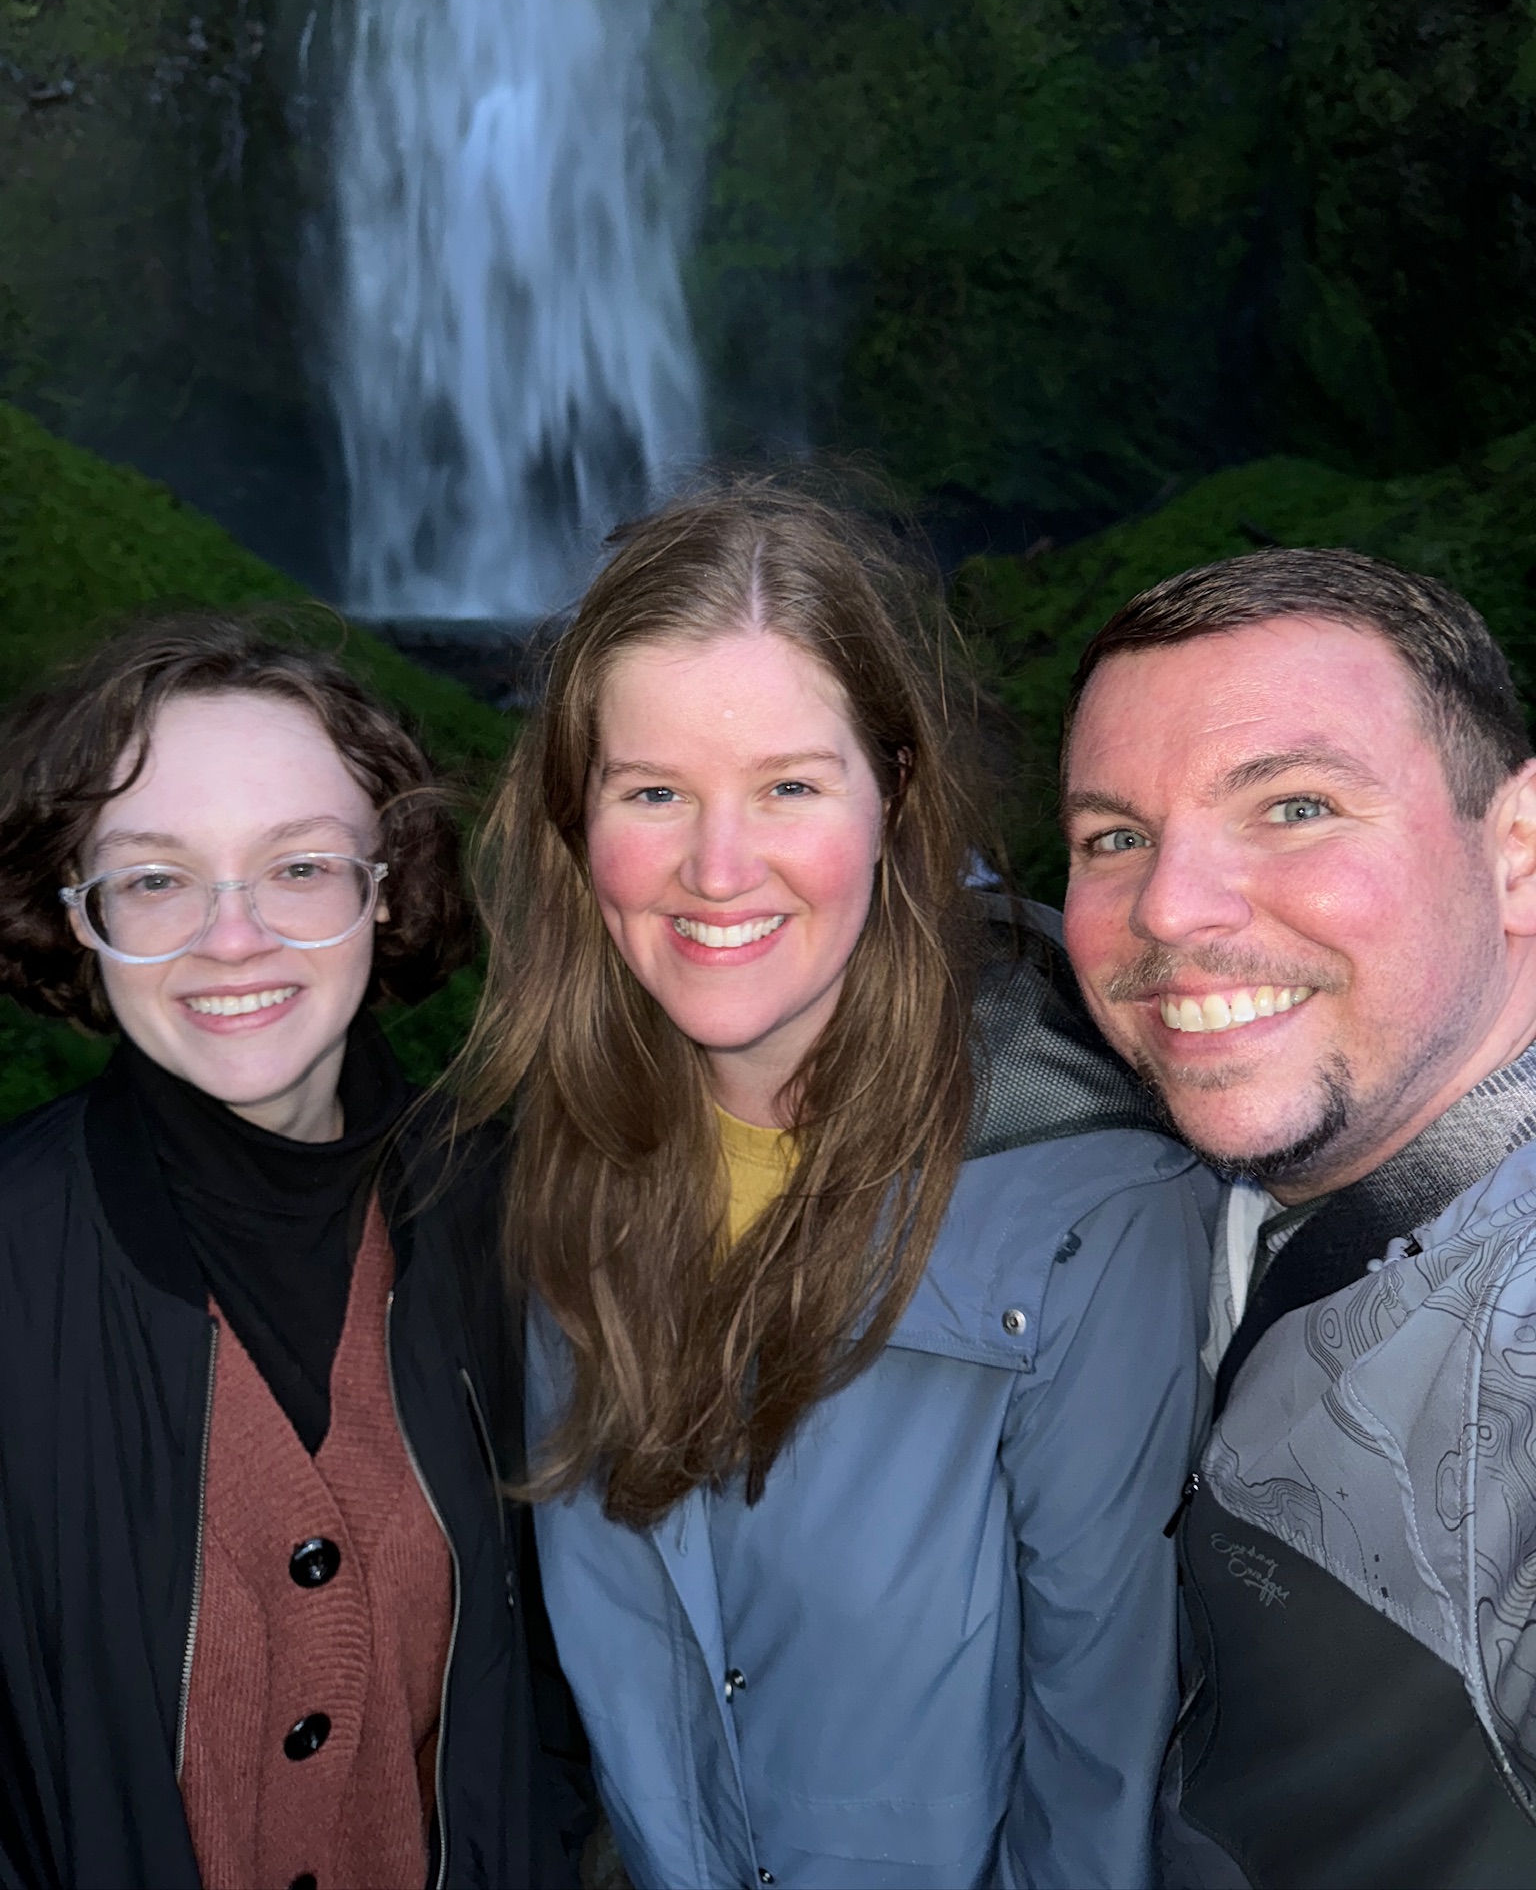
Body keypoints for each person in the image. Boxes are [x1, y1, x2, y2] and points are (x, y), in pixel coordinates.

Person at [456, 481, 1217, 1890]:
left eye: (790, 785)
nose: (718, 867)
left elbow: (1108, 1778)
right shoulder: (569, 1156)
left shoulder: (1093, 1215)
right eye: (654, 792)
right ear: (577, 820)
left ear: (895, 796)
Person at [0, 611, 585, 1890]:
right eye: (156, 878)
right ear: (80, 916)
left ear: (391, 885)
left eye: (299, 866)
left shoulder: (519, 1220)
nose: (232, 936)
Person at [1061, 546, 1536, 1889]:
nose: (1166, 907)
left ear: (1518, 852)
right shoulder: (1241, 1190)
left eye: (1296, 806)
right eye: (1115, 836)